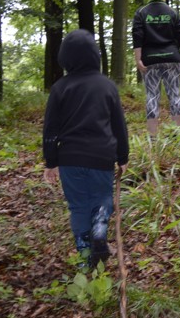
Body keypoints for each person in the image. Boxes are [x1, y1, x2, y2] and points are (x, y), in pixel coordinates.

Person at [43, 30, 129, 269]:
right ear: (95, 55)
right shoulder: (107, 86)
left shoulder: (60, 88)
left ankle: (85, 256)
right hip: (102, 156)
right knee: (102, 198)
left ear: (65, 58)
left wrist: (51, 161)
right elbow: (118, 124)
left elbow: (51, 128)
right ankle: (100, 230)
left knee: (78, 205)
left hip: (70, 158)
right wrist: (123, 156)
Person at [132, 0, 180, 136]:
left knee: (152, 96)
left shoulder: (141, 13)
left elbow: (137, 38)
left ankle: (153, 137)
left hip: (149, 60)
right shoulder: (172, 13)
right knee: (175, 95)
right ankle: (177, 134)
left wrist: (138, 60)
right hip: (172, 59)